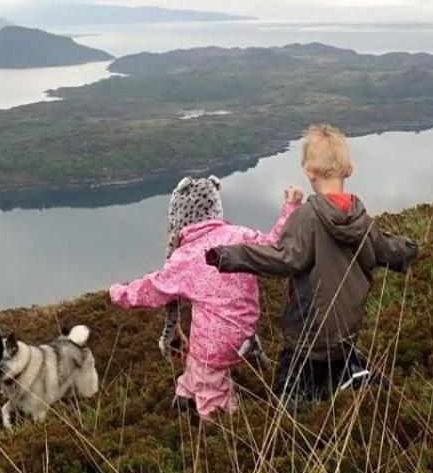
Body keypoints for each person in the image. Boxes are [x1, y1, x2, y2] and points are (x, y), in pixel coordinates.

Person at [208, 125, 417, 405]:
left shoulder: (306, 217)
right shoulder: (360, 218)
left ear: (308, 171)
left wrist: (230, 256)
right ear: (349, 170)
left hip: (306, 336)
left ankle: (301, 420)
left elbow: (283, 258)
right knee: (336, 374)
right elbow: (387, 249)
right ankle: (354, 381)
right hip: (346, 330)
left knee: (288, 403)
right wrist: (410, 249)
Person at [110, 176, 301, 421]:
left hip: (213, 347)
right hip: (246, 334)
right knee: (197, 364)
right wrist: (290, 208)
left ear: (179, 217)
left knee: (213, 398)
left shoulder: (185, 256)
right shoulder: (238, 235)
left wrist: (119, 293)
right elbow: (274, 245)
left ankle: (221, 431)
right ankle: (184, 396)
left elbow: (153, 288)